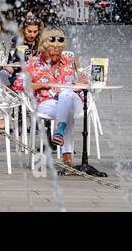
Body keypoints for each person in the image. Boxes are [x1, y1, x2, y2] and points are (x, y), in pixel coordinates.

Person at [23, 28, 88, 172]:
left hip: (72, 99)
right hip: (47, 102)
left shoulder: (71, 61)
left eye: (58, 53)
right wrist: (42, 84)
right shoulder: (33, 63)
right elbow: (20, 85)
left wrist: (76, 85)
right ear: (43, 50)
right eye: (51, 53)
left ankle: (59, 130)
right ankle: (67, 158)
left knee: (66, 93)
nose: (55, 56)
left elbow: (84, 83)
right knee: (67, 112)